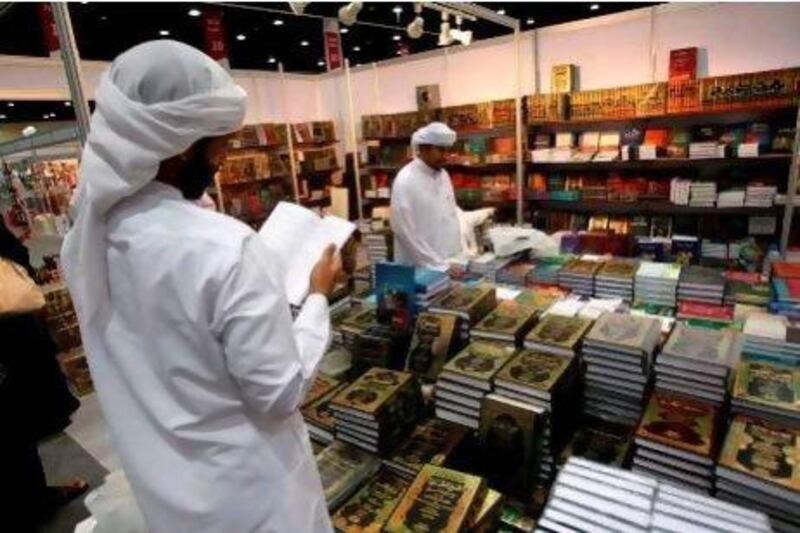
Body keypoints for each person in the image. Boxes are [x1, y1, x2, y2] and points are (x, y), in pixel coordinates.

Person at [60, 41, 341, 532]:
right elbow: (279, 392)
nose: (223, 158)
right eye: (220, 143)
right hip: (254, 498)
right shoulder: (225, 248)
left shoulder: (86, 238)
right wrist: (318, 296)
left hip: (169, 496)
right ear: (185, 144)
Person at [0, 218, 85, 531]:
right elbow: (16, 258)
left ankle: (29, 499)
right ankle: (33, 500)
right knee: (17, 426)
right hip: (10, 341)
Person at [390, 122, 462, 271]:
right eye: (440, 150)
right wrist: (436, 264)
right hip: (419, 267)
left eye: (447, 150)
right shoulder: (406, 180)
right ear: (423, 149)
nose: (445, 156)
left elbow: (449, 215)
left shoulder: (444, 175)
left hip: (446, 262)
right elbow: (405, 232)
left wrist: (457, 255)